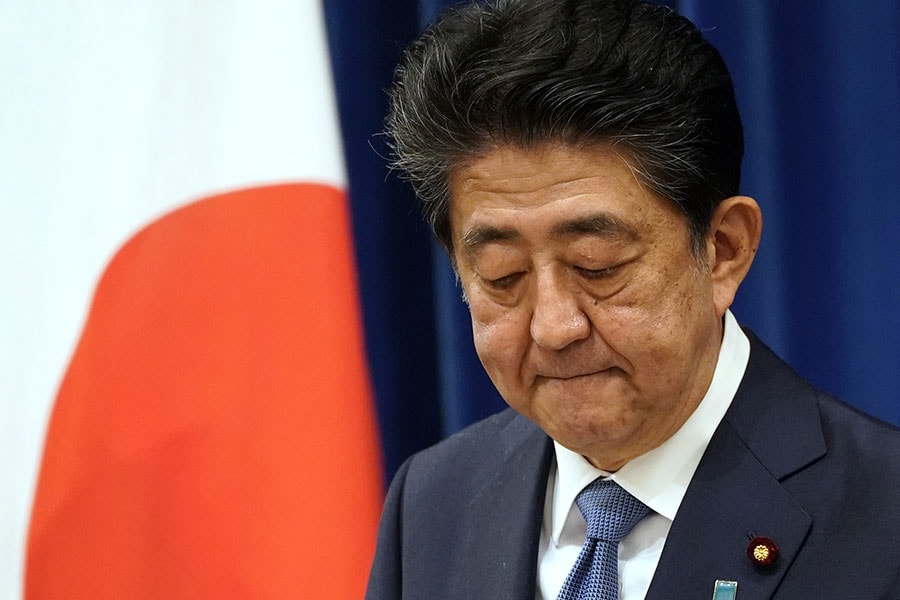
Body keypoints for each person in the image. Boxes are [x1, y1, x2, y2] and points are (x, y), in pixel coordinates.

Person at [365, 1, 900, 598]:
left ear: (723, 249)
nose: (554, 327)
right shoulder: (433, 501)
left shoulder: (885, 516)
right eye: (502, 275)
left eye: (598, 266)